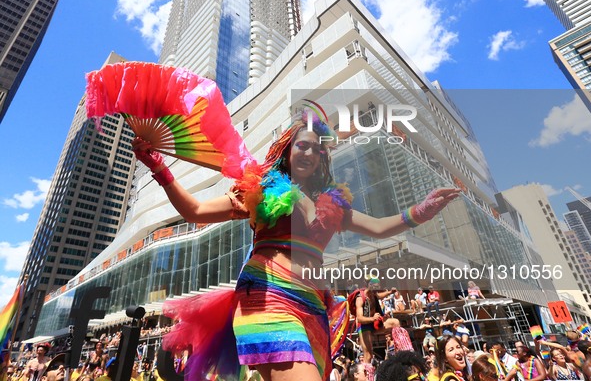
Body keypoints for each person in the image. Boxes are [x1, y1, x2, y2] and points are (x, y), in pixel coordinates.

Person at [134, 112, 460, 381]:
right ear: (287, 151)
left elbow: (378, 227)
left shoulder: (332, 205)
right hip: (267, 297)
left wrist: (422, 211)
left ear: (322, 159)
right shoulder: (261, 191)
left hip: (313, 308)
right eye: (301, 146)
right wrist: (159, 168)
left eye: (316, 150)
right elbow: (196, 211)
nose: (308, 153)